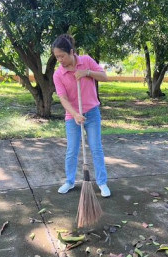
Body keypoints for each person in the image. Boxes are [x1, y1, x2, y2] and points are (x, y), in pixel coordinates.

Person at [52, 34, 111, 197]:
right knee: (72, 150)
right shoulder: (58, 74)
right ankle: (70, 181)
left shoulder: (86, 60)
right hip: (73, 116)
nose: (59, 60)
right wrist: (75, 114)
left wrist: (87, 72)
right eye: (56, 57)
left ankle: (102, 182)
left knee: (96, 148)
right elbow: (62, 98)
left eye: (62, 56)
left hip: (92, 113)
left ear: (71, 52)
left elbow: (104, 77)